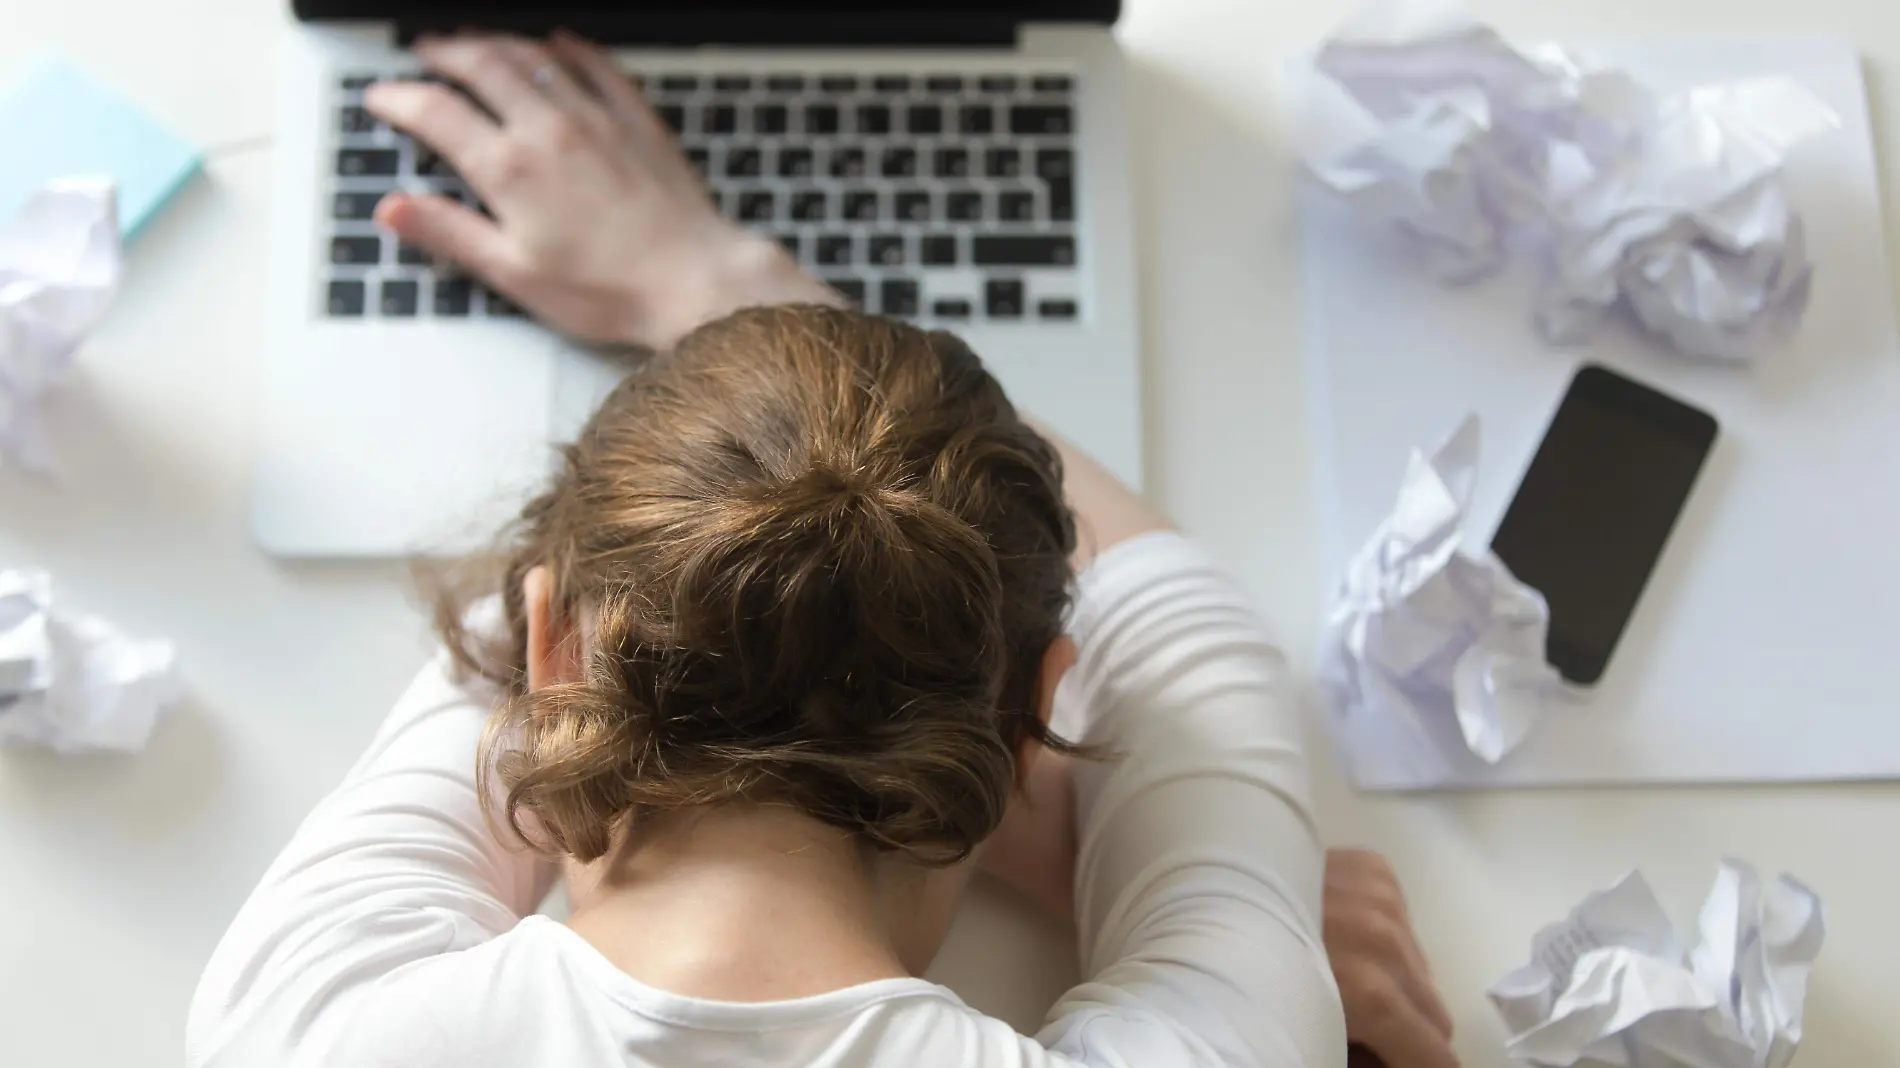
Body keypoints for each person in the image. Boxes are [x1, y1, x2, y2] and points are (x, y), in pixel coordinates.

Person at [186, 31, 1457, 1068]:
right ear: (1037, 715)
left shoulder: (297, 1023)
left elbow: (525, 649)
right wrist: (1241, 909)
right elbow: (1186, 628)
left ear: (551, 649)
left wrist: (703, 323)